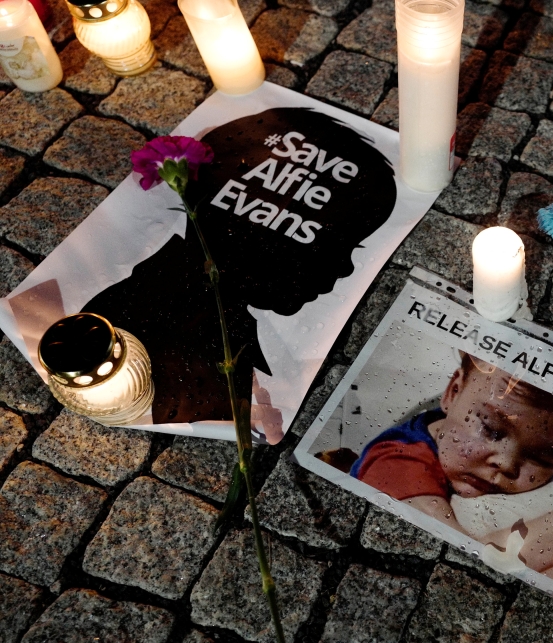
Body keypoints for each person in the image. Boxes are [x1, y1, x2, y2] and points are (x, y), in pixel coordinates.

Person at [83, 108, 397, 440]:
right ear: (260, 231)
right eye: (337, 243)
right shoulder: (168, 323)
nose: (346, 268)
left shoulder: (191, 303)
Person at [326, 353, 553, 597]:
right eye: (491, 430)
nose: (506, 464)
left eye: (542, 457)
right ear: (452, 392)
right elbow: (471, 559)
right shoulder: (396, 463)